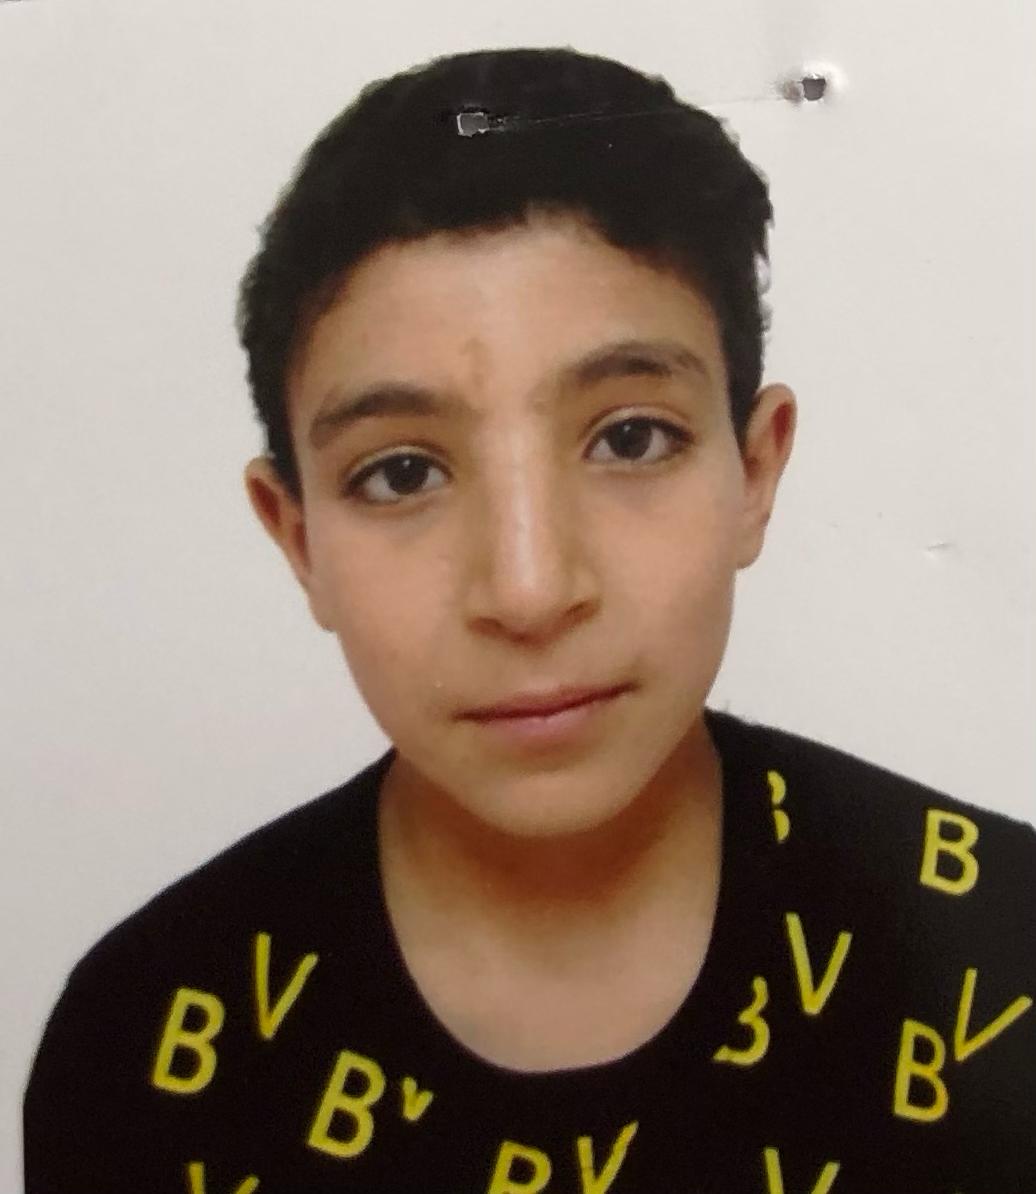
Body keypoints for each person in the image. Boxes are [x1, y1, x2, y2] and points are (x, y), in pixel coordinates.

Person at [23, 45, 1035, 1194]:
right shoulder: (151, 1043)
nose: (528, 589)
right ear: (296, 537)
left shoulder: (1001, 966)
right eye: (401, 473)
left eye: (630, 438)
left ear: (754, 471)